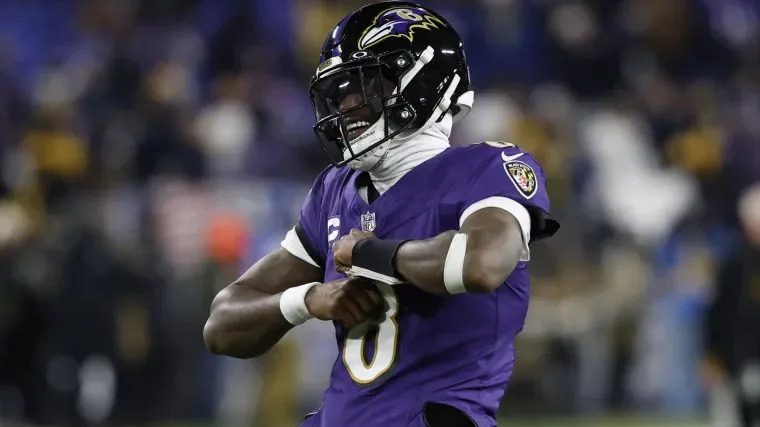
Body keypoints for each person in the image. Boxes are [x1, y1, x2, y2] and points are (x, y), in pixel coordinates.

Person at [203, 2, 559, 426]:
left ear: (425, 80)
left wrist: (368, 254)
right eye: (340, 92)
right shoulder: (335, 190)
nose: (347, 105)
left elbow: (482, 264)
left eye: (366, 84)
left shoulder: (487, 168)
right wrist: (307, 300)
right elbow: (221, 326)